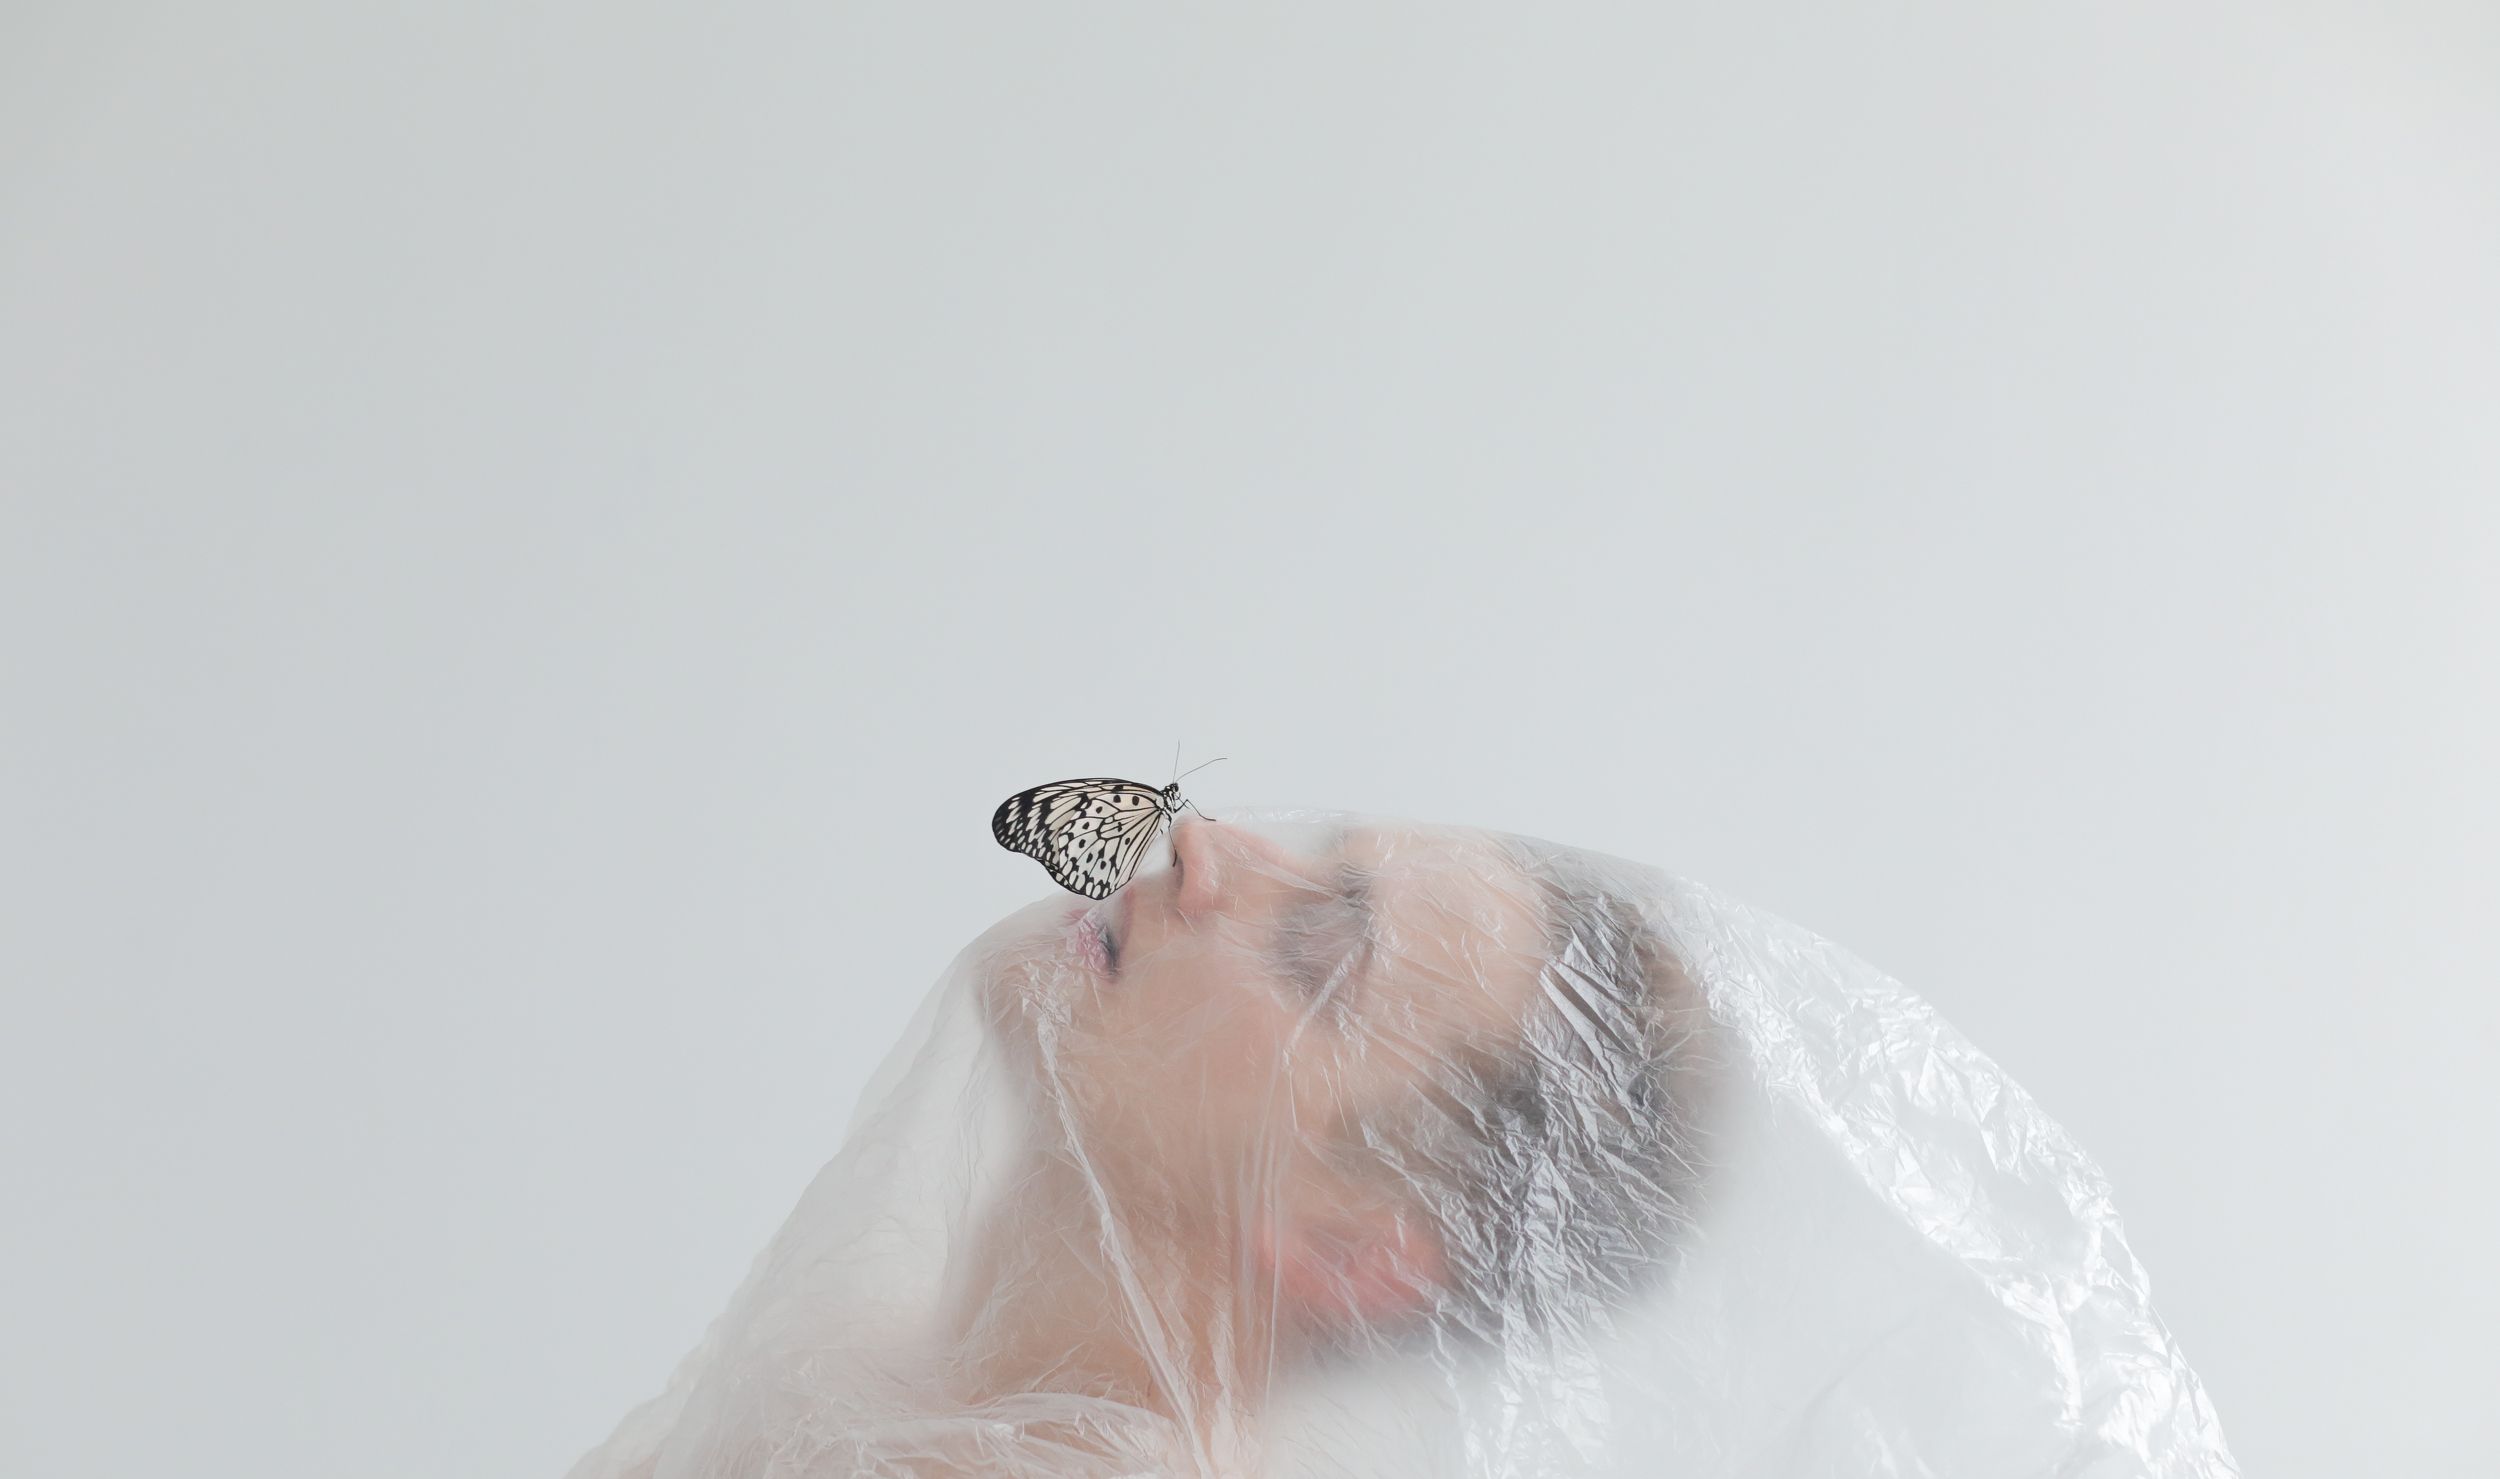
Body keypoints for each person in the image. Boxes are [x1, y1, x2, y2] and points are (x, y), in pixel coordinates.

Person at [567, 811, 2237, 1479]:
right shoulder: (860, 1378)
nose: (1202, 849)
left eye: (1317, 953)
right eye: (1304, 855)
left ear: (1358, 1241)